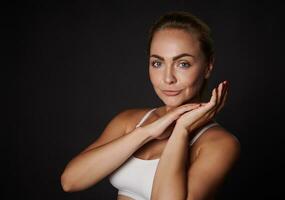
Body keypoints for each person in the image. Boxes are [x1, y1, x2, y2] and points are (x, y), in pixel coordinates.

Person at [60, 10, 240, 200]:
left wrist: (181, 131)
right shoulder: (129, 121)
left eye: (183, 64)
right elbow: (70, 181)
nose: (168, 78)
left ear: (208, 66)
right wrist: (147, 132)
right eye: (157, 63)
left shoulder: (219, 144)